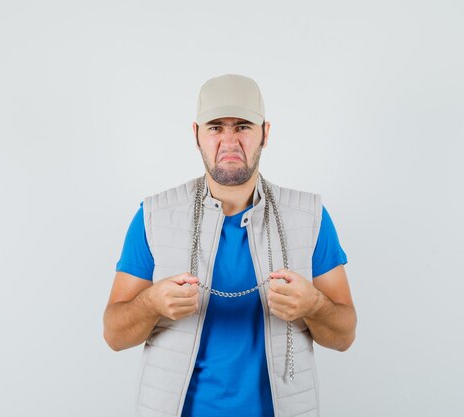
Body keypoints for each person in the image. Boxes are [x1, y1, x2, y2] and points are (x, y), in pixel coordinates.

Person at [103, 74, 357, 417]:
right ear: (196, 135)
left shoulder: (309, 217)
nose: (229, 140)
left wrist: (313, 305)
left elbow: (344, 336)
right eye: (215, 127)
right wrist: (151, 303)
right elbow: (114, 335)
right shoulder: (153, 217)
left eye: (242, 127)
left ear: (265, 133)